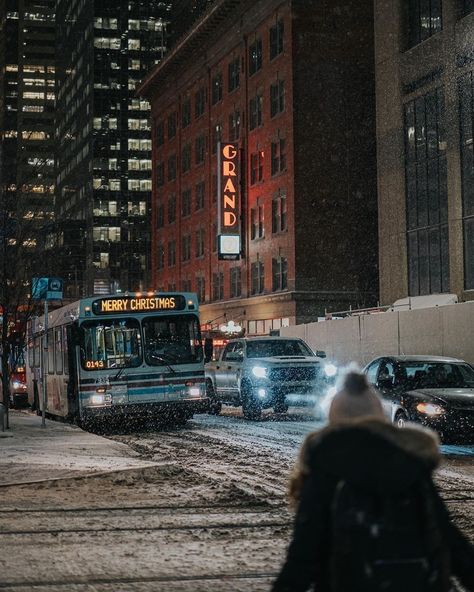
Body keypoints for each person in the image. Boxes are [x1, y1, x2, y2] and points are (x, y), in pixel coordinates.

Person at [272, 371, 474, 592]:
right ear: (379, 417)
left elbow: (304, 556)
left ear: (335, 421)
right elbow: (450, 541)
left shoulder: (327, 465)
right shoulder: (409, 464)